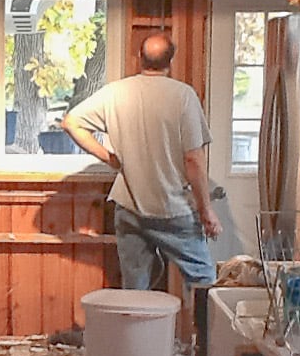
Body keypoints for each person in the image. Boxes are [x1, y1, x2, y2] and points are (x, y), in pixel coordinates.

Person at [62, 33, 222, 290]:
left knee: (135, 289)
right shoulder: (183, 96)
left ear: (139, 58)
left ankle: (139, 331)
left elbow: (70, 123)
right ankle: (205, 332)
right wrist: (206, 211)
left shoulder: (114, 92)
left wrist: (109, 158)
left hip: (129, 208)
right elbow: (193, 159)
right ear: (171, 61)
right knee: (204, 280)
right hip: (173, 209)